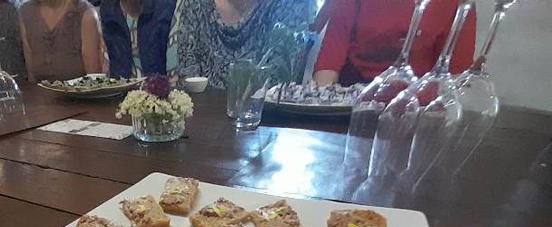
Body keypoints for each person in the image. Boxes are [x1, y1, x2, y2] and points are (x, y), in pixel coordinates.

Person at [314, 0, 476, 86]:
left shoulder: (459, 4)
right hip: (354, 93)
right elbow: (328, 65)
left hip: (417, 99)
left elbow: (455, 74)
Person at [176, 0, 315, 88]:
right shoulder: (195, 3)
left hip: (266, 120)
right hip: (205, 118)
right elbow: (189, 79)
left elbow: (278, 81)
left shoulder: (292, 4)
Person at [18, 0, 103, 82]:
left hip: (78, 94)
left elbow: (94, 79)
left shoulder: (86, 14)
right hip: (40, 93)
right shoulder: (26, 12)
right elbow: (31, 75)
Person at [99, 0, 176, 78]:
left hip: (161, 86)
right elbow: (118, 70)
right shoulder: (109, 9)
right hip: (123, 87)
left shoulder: (165, 6)